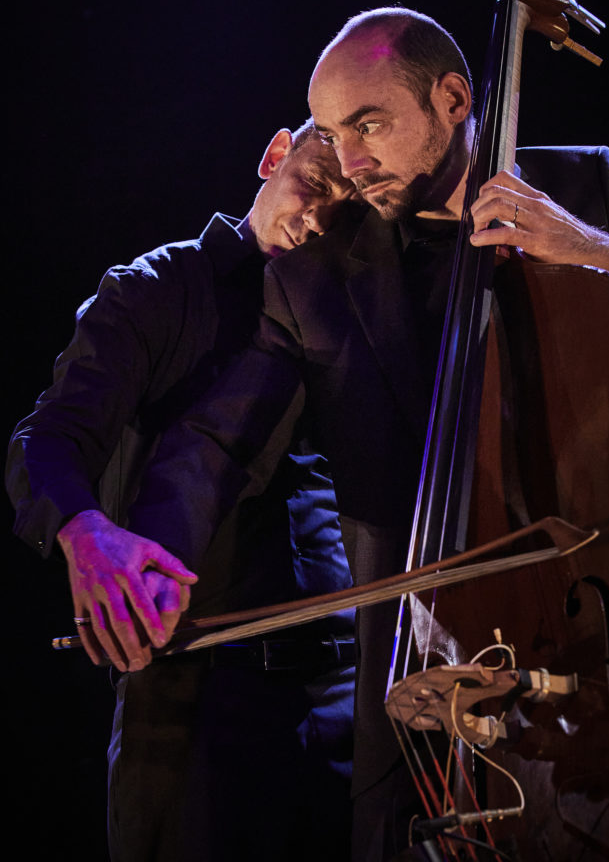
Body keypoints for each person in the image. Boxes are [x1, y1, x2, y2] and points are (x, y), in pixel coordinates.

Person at [117, 8, 609, 860]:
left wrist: (599, 253)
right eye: (332, 132)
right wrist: (148, 555)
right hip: (423, 679)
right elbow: (217, 437)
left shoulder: (585, 189)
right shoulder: (315, 278)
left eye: (369, 125)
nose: (348, 162)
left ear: (453, 98)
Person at [6, 120, 359, 862]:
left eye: (344, 210)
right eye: (314, 187)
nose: (317, 219)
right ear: (273, 155)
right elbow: (46, 442)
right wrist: (83, 530)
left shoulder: (354, 316)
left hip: (341, 683)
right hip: (189, 687)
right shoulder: (155, 290)